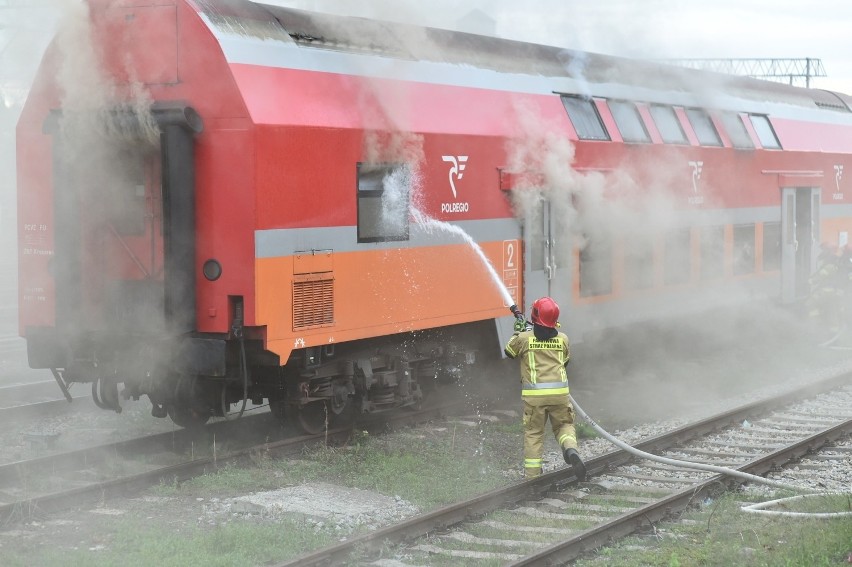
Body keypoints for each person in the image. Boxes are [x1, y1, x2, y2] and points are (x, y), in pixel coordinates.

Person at [505, 297, 586, 481]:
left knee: (534, 434)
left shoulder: (524, 339)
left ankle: (532, 478)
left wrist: (518, 332)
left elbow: (509, 352)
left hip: (534, 399)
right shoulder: (563, 339)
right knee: (564, 426)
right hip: (560, 396)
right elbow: (564, 362)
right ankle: (570, 449)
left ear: (534, 316)